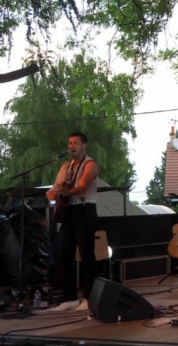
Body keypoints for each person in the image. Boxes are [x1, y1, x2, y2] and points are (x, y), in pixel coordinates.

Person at [46, 132, 100, 312]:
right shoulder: (64, 167)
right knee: (62, 254)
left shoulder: (90, 164)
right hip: (67, 212)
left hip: (84, 211)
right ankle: (69, 297)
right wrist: (52, 194)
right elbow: (54, 189)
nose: (71, 146)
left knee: (86, 255)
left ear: (84, 145)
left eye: (75, 143)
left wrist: (66, 193)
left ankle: (88, 297)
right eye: (69, 143)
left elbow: (82, 186)